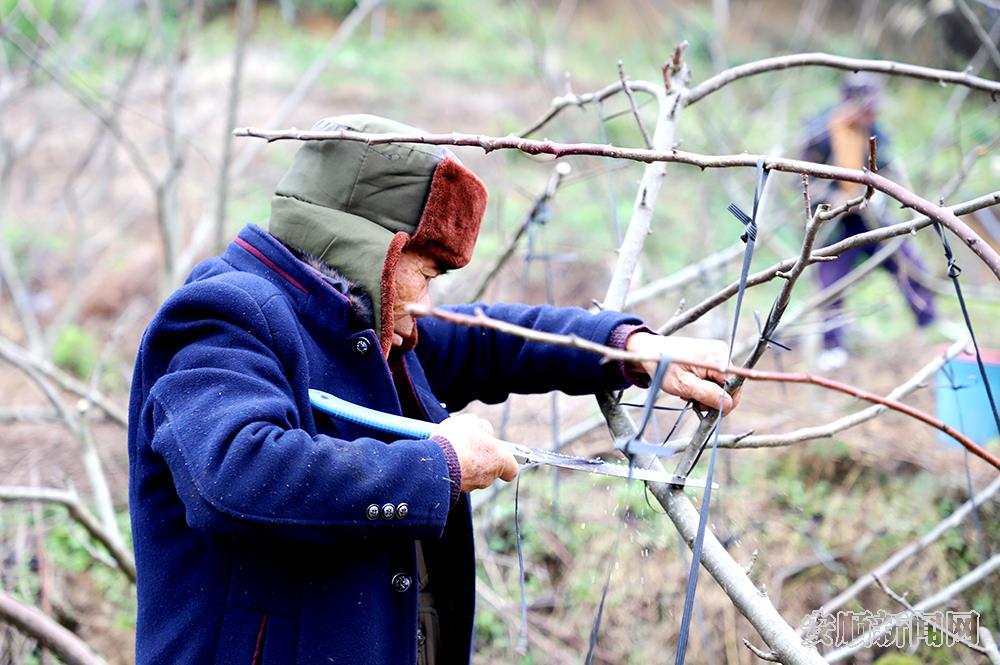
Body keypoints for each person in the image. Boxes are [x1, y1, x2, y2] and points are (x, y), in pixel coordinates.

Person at [128, 114, 738, 665]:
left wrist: (623, 348)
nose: (426, 300)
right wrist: (437, 467)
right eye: (424, 272)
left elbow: (489, 340)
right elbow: (233, 473)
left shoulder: (358, 326)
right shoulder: (227, 313)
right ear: (367, 248)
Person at [801, 73, 936, 370]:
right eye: (866, 108)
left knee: (908, 263)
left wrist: (880, 193)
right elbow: (804, 179)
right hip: (835, 223)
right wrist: (831, 199)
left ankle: (930, 325)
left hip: (871, 219)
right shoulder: (820, 132)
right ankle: (832, 347)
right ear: (849, 103)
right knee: (830, 281)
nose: (871, 114)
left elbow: (886, 167)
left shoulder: (874, 130)